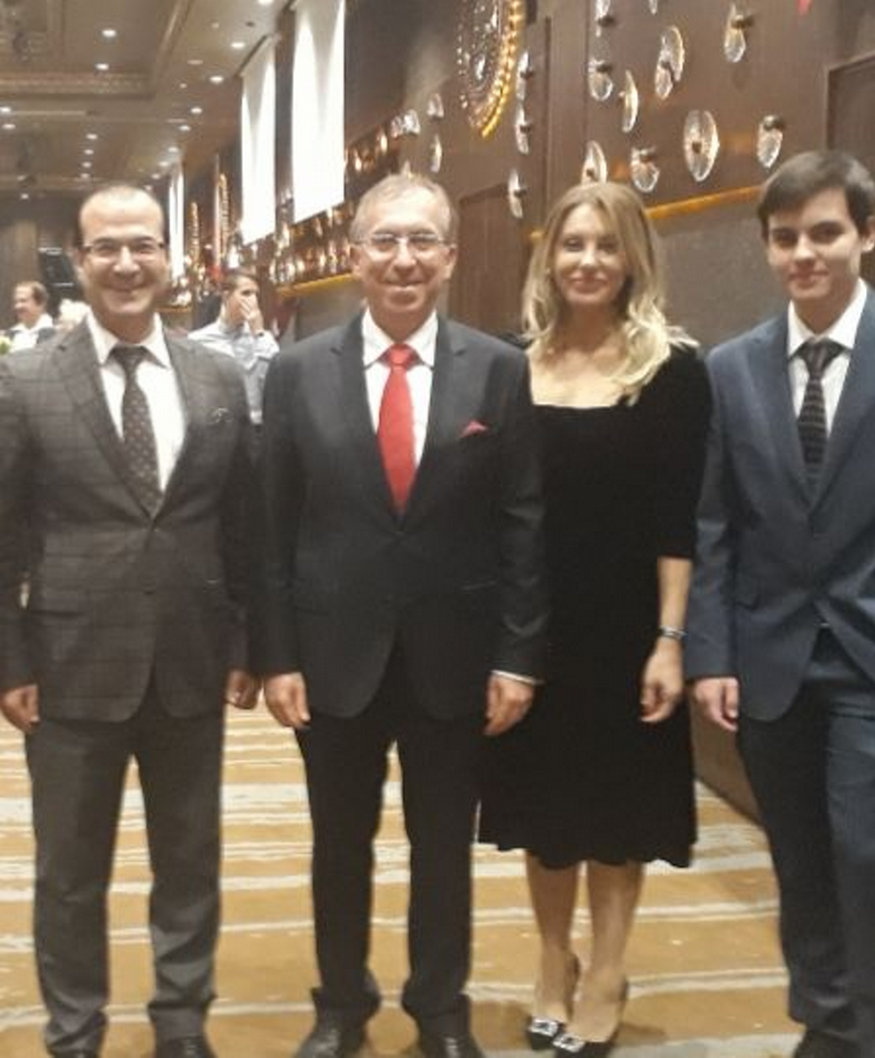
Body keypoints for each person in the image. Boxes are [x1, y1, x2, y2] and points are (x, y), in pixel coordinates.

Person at [685, 150, 875, 1058]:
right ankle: (829, 1022)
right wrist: (713, 652)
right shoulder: (733, 367)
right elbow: (715, 522)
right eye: (785, 237)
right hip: (771, 660)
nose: (804, 254)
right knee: (802, 856)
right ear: (767, 247)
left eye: (824, 233)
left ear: (867, 233)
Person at [252, 173, 547, 1058]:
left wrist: (518, 656)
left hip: (454, 658)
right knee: (339, 847)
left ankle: (440, 1011)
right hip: (331, 656)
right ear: (355, 257)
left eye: (422, 241)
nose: (403, 260)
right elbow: (271, 526)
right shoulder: (298, 372)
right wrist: (277, 655)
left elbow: (524, 522)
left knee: (442, 849)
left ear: (450, 257)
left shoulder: (498, 369)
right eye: (384, 241)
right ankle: (341, 1005)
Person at [0, 184, 257, 1058]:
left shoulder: (215, 376)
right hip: (68, 667)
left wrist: (245, 641)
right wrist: (10, 661)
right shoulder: (26, 380)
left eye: (142, 245)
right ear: (77, 261)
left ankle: (181, 1024)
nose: (125, 263)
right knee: (70, 874)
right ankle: (75, 1030)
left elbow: (241, 523)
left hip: (192, 660)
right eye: (106, 247)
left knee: (189, 862)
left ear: (168, 257)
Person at [478, 181, 710, 1058]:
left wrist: (670, 640)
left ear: (633, 259)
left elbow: (679, 521)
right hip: (531, 624)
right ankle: (553, 962)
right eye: (573, 244)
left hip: (627, 629)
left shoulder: (672, 369)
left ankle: (607, 972)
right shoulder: (510, 364)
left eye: (607, 246)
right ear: (549, 258)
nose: (588, 261)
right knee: (544, 812)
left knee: (618, 813)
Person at [188, 267, 278, 427]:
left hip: (259, 427)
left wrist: (258, 334)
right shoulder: (198, 341)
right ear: (226, 297)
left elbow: (273, 385)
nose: (253, 301)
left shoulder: (264, 340)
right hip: (219, 428)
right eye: (246, 293)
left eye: (256, 295)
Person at [8, 279, 56, 349]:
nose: (17, 306)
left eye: (23, 301)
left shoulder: (57, 333)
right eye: (16, 302)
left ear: (41, 304)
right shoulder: (10, 334)